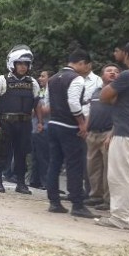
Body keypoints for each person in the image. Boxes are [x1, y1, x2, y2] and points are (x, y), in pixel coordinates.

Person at [45, 48, 94, 218]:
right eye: (87, 66)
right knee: (74, 164)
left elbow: (47, 103)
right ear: (81, 63)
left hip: (53, 123)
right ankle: (77, 204)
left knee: (54, 163)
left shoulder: (52, 79)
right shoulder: (76, 79)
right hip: (69, 126)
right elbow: (73, 102)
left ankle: (54, 202)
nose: (87, 69)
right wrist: (81, 123)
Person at [0, 45, 39, 194]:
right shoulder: (1, 80)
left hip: (24, 123)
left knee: (22, 153)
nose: (23, 67)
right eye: (20, 64)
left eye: (26, 64)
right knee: (1, 151)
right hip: (5, 122)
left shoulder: (32, 83)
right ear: (13, 64)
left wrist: (40, 121)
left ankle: (21, 183)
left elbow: (37, 103)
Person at [98, 42, 129, 229]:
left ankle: (120, 217)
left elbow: (104, 95)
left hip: (125, 133)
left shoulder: (127, 75)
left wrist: (117, 95)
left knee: (121, 176)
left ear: (127, 54)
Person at [86, 64, 120, 210]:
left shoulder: (120, 94)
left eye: (116, 71)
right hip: (92, 134)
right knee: (93, 167)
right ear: (102, 75)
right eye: (109, 71)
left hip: (108, 134)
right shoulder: (96, 92)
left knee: (109, 169)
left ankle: (108, 200)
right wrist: (85, 129)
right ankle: (95, 196)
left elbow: (121, 117)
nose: (113, 73)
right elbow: (90, 111)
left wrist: (112, 133)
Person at [29, 70, 52, 189]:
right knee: (35, 156)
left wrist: (35, 110)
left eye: (43, 76)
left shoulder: (52, 91)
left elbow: (47, 110)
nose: (40, 78)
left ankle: (46, 182)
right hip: (35, 127)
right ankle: (34, 180)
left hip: (45, 126)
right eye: (39, 76)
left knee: (44, 156)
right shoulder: (41, 91)